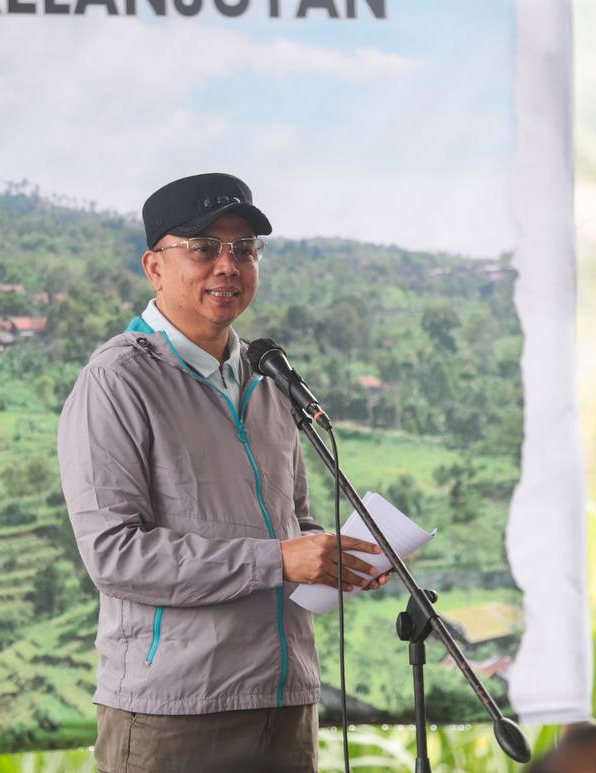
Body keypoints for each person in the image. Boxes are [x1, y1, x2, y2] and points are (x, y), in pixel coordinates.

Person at [58, 172, 389, 773]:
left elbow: (291, 524)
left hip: (285, 702)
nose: (227, 266)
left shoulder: (269, 380)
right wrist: (279, 560)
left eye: (244, 249)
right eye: (204, 247)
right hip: (175, 713)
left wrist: (337, 558)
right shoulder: (117, 380)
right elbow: (114, 555)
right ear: (154, 267)